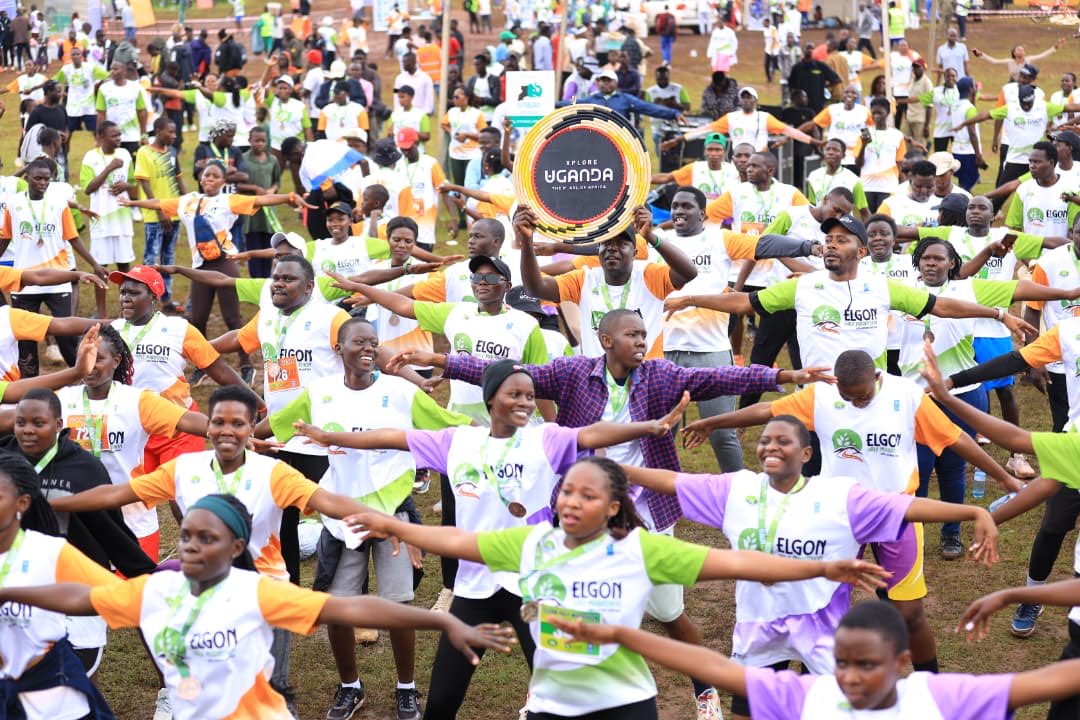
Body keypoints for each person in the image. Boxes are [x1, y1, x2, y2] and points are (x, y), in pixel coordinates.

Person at [343, 454, 888, 720]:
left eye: (587, 495)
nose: (571, 502)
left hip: (625, 705)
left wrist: (820, 569)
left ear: (612, 507)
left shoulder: (642, 552)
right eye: (567, 492)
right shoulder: (532, 544)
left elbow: (737, 562)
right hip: (552, 706)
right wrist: (393, 525)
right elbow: (457, 540)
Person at [17, 490, 515, 720]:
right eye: (186, 536)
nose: (190, 546)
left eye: (207, 538)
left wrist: (442, 622)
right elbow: (82, 598)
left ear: (236, 547)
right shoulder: (155, 591)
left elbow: (354, 610)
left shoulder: (254, 593)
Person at [626, 413, 1000, 718]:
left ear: (806, 454)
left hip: (821, 634)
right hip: (759, 629)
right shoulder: (736, 490)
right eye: (765, 441)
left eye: (783, 441)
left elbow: (908, 506)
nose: (771, 447)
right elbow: (674, 481)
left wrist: (972, 512)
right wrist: (620, 472)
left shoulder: (840, 498)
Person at [256, 317, 472, 719]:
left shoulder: (401, 393)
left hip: (393, 515)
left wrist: (490, 433)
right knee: (339, 609)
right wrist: (248, 437)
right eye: (359, 342)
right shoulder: (320, 393)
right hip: (342, 517)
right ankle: (350, 687)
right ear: (339, 348)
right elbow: (280, 424)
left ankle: (406, 688)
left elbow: (447, 427)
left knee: (399, 606)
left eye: (374, 342)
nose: (369, 348)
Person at [554, 598, 1080, 719]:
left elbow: (1047, 681)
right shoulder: (810, 696)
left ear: (902, 663)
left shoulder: (944, 697)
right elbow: (713, 667)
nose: (850, 677)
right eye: (843, 662)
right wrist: (622, 633)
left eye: (867, 666)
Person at [666, 214, 1034, 372]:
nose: (831, 244)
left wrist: (999, 314)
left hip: (869, 393)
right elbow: (744, 302)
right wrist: (691, 299)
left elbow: (942, 306)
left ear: (861, 252)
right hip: (817, 392)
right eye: (828, 239)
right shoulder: (804, 286)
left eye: (842, 240)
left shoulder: (880, 286)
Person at [120, 161, 306, 377]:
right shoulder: (188, 201)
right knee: (197, 318)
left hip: (225, 262)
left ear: (223, 181)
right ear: (201, 178)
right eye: (207, 175)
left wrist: (289, 197)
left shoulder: (228, 200)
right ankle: (202, 364)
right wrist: (133, 202)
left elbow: (260, 200)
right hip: (200, 265)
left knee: (232, 318)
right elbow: (159, 203)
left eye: (215, 176)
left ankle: (246, 366)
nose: (209, 179)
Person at [518, 208, 697, 359]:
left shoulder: (650, 275)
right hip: (598, 381)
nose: (612, 247)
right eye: (606, 243)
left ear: (635, 252)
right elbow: (536, 288)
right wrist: (527, 240)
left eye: (621, 243)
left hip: (646, 378)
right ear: (598, 251)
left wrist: (650, 236)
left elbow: (689, 272)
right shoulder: (583, 279)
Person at [0, 159, 106, 378]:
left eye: (47, 179)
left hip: (57, 281)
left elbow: (73, 237)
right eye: (38, 178)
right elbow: (5, 238)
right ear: (27, 178)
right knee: (26, 342)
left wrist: (94, 264)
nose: (43, 183)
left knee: (67, 337)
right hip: (24, 283)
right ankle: (29, 387)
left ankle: (84, 378)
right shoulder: (13, 203)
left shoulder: (59, 203)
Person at [80, 120, 136, 318]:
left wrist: (126, 186)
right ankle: (102, 314)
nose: (119, 138)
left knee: (124, 266)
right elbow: (88, 188)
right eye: (114, 135)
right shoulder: (90, 157)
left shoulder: (125, 155)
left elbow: (134, 184)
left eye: (120, 134)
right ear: (101, 137)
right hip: (101, 221)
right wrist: (109, 168)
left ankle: (125, 312)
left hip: (122, 219)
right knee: (101, 268)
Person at [135, 117, 185, 311]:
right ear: (157, 131)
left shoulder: (172, 152)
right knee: (151, 260)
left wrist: (188, 203)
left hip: (174, 214)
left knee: (168, 258)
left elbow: (178, 180)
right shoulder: (144, 152)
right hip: (155, 216)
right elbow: (144, 183)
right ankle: (147, 300)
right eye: (170, 131)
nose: (174, 136)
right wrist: (159, 211)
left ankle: (166, 298)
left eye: (175, 132)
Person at [673, 87, 815, 152]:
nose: (746, 100)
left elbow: (790, 131)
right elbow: (706, 129)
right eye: (743, 97)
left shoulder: (764, 117)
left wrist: (813, 141)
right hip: (739, 162)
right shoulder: (731, 117)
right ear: (740, 101)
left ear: (755, 100)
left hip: (759, 161)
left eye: (749, 97)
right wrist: (679, 139)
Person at [853, 98, 908, 211]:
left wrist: (902, 185)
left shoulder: (897, 135)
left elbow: (899, 163)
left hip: (889, 186)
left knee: (884, 218)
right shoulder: (864, 134)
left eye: (880, 113)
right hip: (867, 185)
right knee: (867, 218)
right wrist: (864, 145)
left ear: (887, 113)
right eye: (873, 113)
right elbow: (858, 164)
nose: (876, 116)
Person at [800, 85, 870, 166]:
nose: (849, 95)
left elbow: (869, 129)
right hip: (835, 156)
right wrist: (795, 132)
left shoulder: (864, 111)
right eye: (846, 92)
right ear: (842, 95)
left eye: (853, 93)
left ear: (857, 96)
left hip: (855, 157)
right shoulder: (833, 109)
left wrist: (865, 146)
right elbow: (812, 124)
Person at [805, 138, 869, 219]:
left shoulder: (853, 179)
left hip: (841, 224)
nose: (831, 152)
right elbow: (812, 204)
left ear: (843, 155)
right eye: (827, 149)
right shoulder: (813, 176)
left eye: (835, 150)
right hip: (819, 223)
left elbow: (864, 212)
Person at [94, 61, 146, 156]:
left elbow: (141, 112)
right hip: (111, 136)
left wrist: (144, 134)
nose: (112, 71)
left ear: (124, 71)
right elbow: (101, 114)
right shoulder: (104, 89)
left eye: (116, 69)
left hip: (131, 136)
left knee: (131, 162)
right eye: (111, 69)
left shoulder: (135, 88)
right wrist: (99, 137)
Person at [787, 42, 842, 112]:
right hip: (801, 104)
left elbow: (836, 80)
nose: (810, 50)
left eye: (812, 48)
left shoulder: (820, 66)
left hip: (817, 104)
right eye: (808, 48)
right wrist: (794, 98)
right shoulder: (797, 67)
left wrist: (823, 87)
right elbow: (791, 85)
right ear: (803, 50)